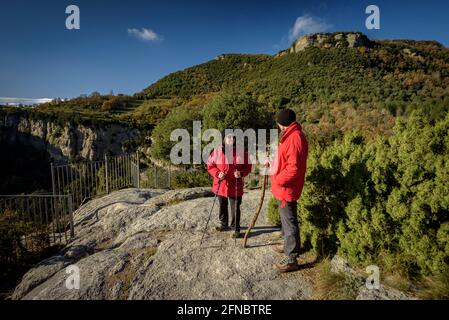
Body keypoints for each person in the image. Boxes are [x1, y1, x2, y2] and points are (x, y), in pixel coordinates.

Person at [269, 109, 308, 272]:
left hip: (286, 188)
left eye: (278, 125)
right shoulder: (290, 135)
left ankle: (291, 258)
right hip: (282, 188)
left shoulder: (295, 138)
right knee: (287, 219)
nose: (278, 128)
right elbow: (284, 160)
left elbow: (294, 170)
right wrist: (272, 163)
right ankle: (289, 246)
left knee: (289, 221)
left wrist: (277, 179)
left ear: (283, 124)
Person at [207, 131, 252, 238]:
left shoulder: (241, 151)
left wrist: (241, 173)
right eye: (228, 137)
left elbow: (248, 167)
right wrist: (217, 173)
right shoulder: (217, 151)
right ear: (223, 139)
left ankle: (236, 228)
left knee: (235, 207)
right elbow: (210, 165)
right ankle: (224, 224)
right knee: (222, 205)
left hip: (235, 184)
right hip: (221, 184)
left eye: (233, 137)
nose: (231, 139)